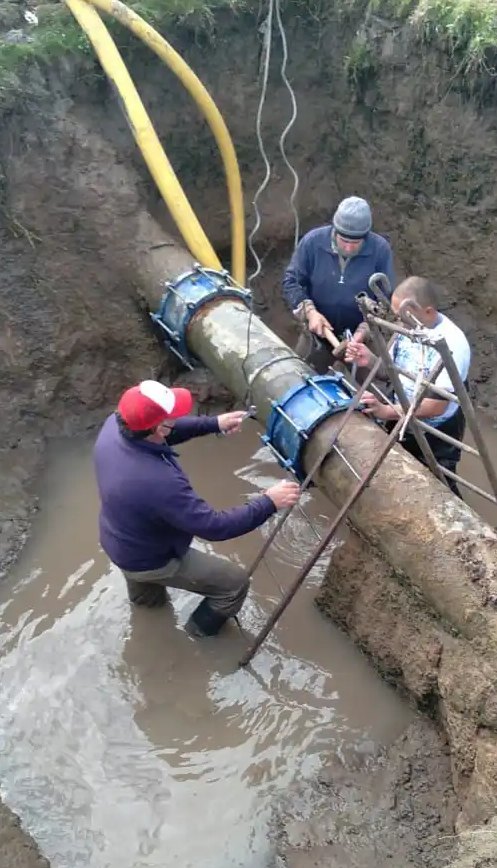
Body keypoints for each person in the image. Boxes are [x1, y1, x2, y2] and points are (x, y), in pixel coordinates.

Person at [93, 380, 300, 637]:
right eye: (171, 418)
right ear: (159, 428)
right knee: (234, 584)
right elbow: (215, 526)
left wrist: (213, 424)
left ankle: (149, 623)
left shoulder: (115, 426)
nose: (175, 420)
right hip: (151, 558)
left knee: (146, 596)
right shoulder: (157, 481)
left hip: (118, 540)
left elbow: (167, 429)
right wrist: (269, 502)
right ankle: (197, 637)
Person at [345, 276, 471, 494]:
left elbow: (435, 406)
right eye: (397, 316)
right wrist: (370, 360)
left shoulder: (452, 344)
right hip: (402, 413)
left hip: (436, 429)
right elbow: (392, 372)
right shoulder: (409, 327)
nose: (400, 322)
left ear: (429, 311)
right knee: (402, 466)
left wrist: (386, 411)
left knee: (440, 484)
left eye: (404, 316)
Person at [282, 196, 395, 374]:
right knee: (299, 380)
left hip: (361, 339)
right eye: (344, 241)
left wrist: (362, 333)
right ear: (334, 230)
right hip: (318, 333)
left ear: (366, 237)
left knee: (379, 388)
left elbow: (384, 300)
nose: (349, 248)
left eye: (355, 243)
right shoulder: (313, 243)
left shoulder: (380, 250)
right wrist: (310, 313)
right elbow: (292, 282)